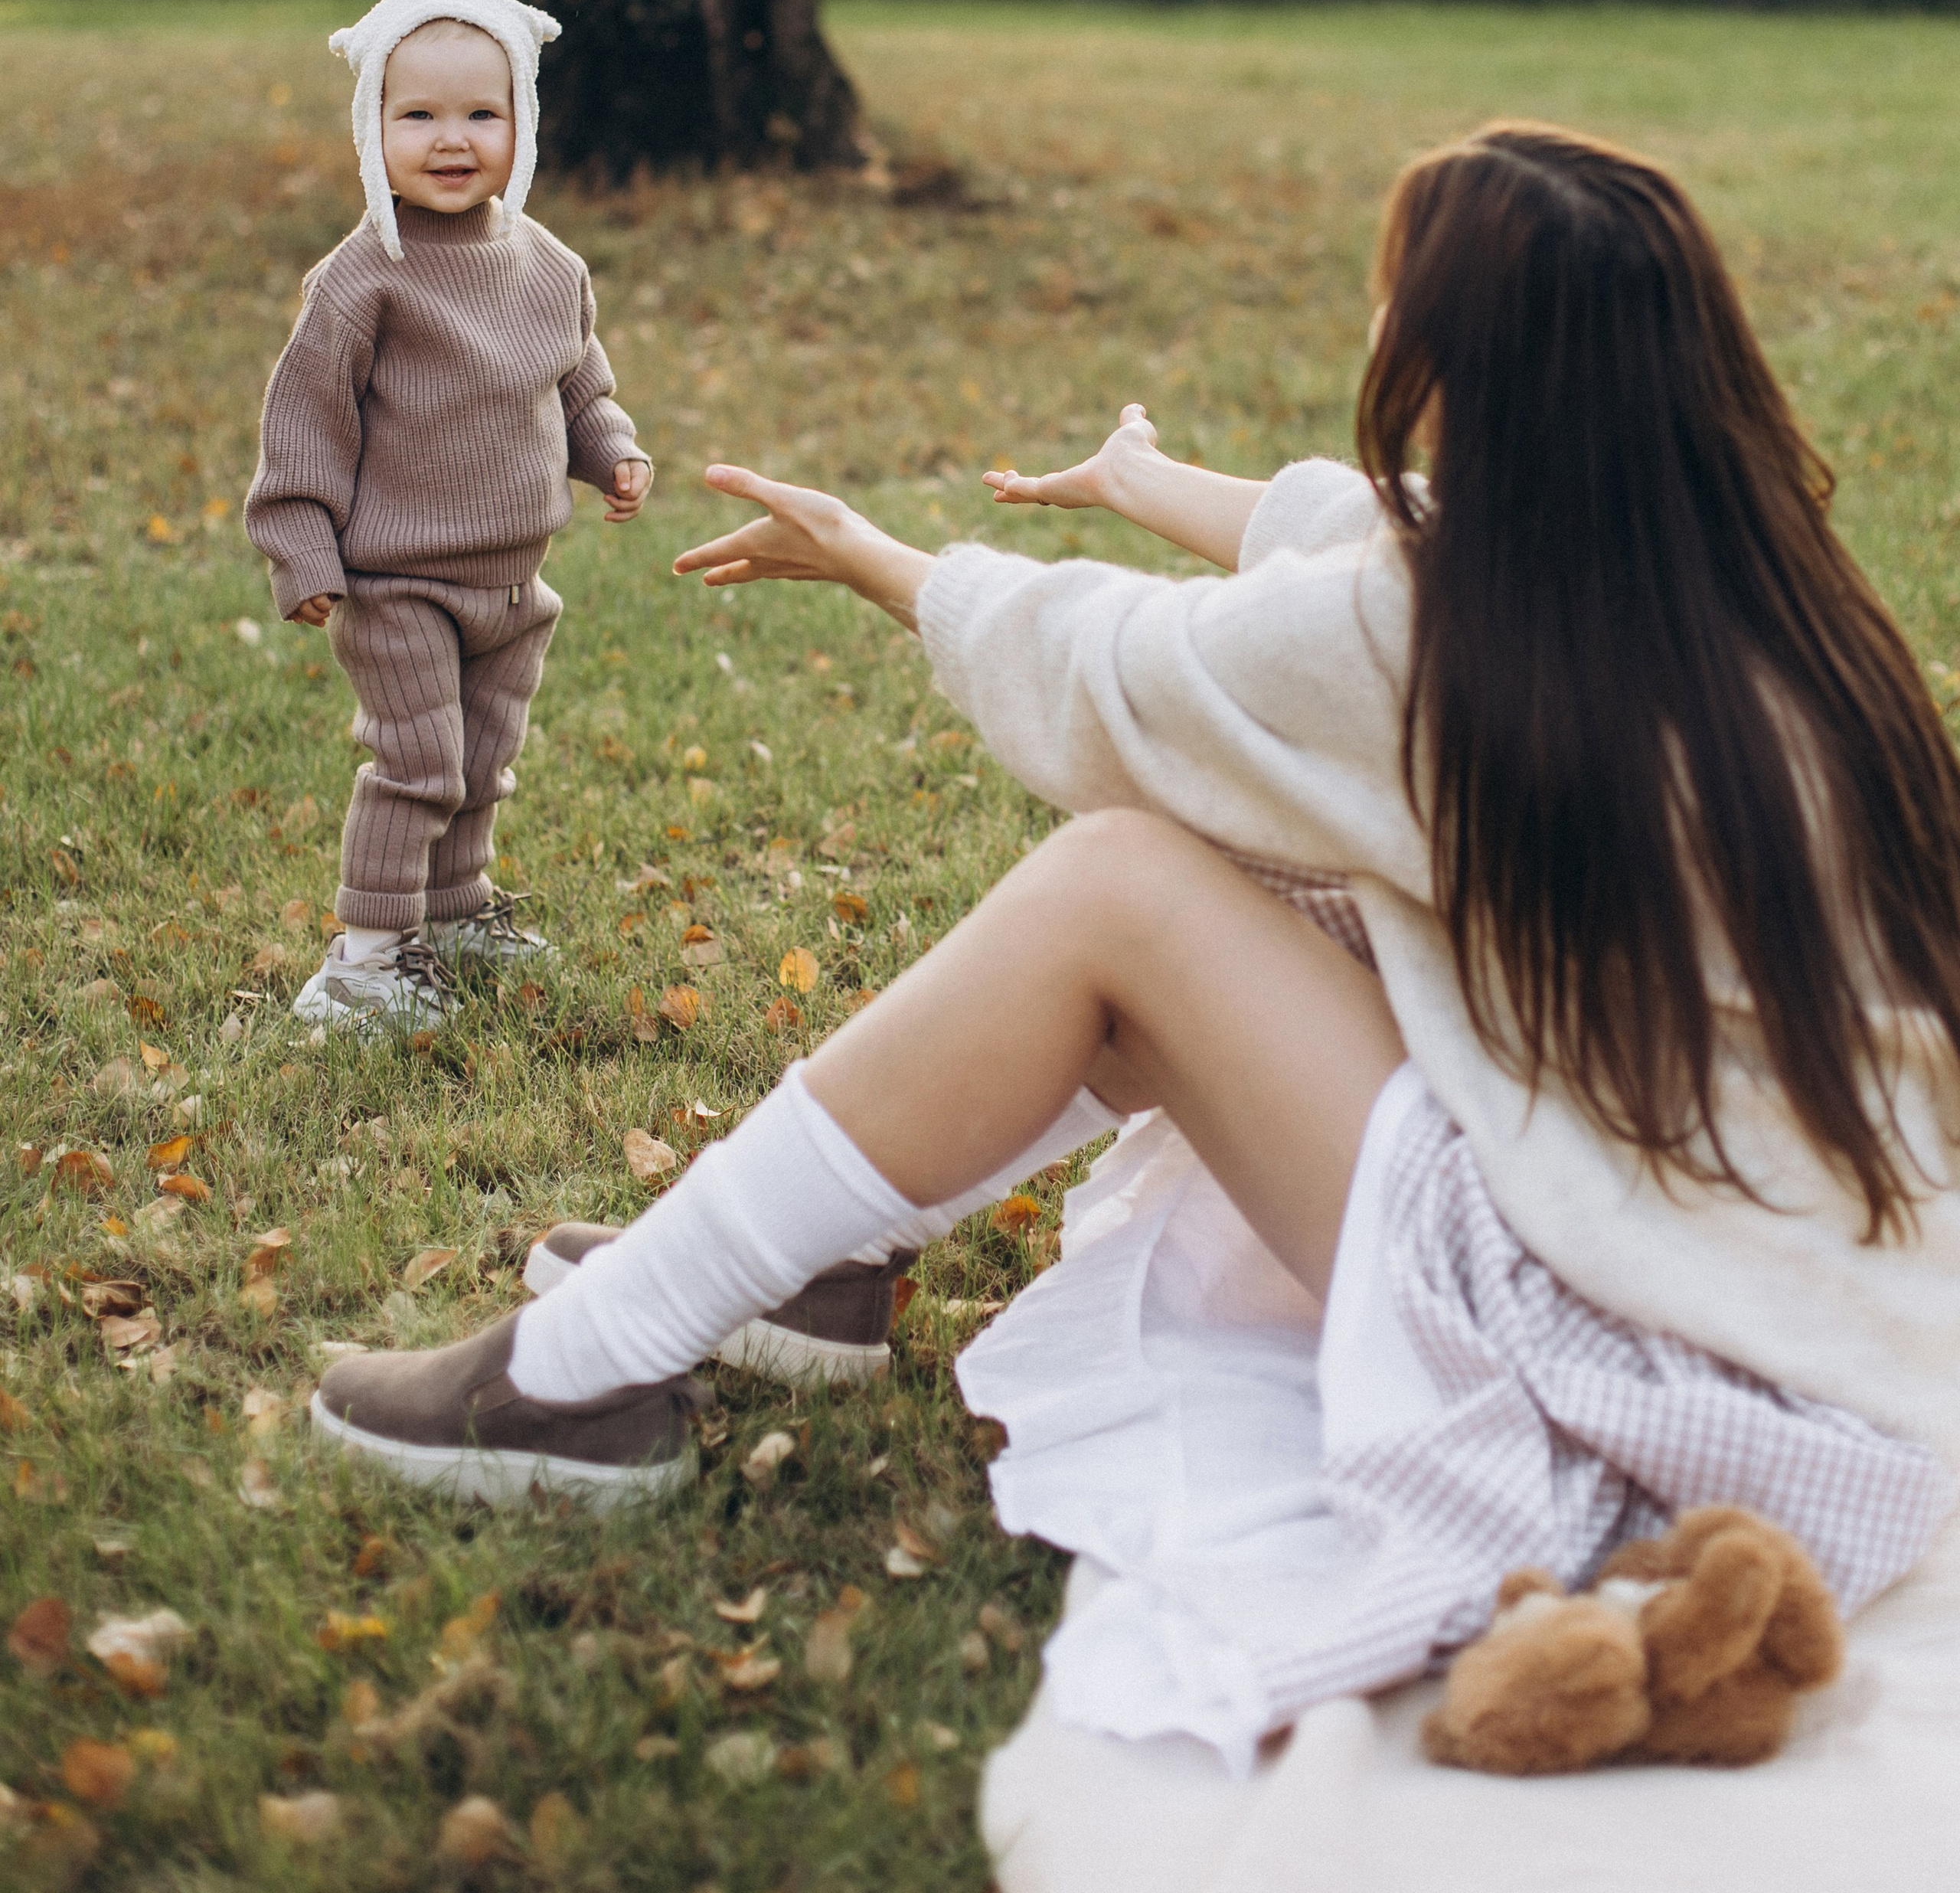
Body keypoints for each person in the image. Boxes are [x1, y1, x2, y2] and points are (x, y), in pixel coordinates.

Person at [312, 124, 1960, 1764]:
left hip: (1630, 1340)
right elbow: (1377, 537)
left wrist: (872, 556)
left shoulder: (1443, 640)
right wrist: (1140, 481)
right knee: (1277, 872)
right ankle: (814, 1265)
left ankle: (582, 1378)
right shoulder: (1751, 592)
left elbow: (1127, 671)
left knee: (1126, 883)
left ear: (1462, 360)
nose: (1376, 335)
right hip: (1784, 1299)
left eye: (1395, 307)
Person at [245, 0, 651, 1036]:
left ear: (523, 124)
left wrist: (609, 450)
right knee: (417, 761)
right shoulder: (362, 278)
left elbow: (577, 378)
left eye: (483, 111)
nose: (452, 138)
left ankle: (458, 910)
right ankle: (367, 955)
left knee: (481, 762)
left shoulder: (548, 266)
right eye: (417, 114)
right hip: (400, 580)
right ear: (371, 128)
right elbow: (306, 421)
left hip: (514, 581)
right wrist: (302, 548)